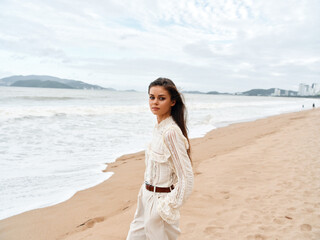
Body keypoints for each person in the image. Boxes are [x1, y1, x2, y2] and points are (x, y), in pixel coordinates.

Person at [126, 78, 194, 240]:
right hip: (145, 196)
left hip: (161, 202)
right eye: (151, 97)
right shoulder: (158, 128)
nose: (154, 102)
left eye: (161, 98)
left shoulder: (171, 132)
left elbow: (187, 177)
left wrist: (168, 206)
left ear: (172, 102)